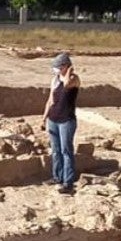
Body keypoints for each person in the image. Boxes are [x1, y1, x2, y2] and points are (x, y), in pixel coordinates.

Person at [41, 52, 81, 195]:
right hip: (54, 119)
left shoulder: (74, 79)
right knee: (56, 151)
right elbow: (50, 100)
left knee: (66, 151)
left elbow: (67, 84)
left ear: (65, 66)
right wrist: (44, 117)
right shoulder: (55, 80)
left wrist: (69, 72)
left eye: (58, 67)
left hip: (66, 121)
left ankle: (68, 182)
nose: (56, 69)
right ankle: (57, 177)